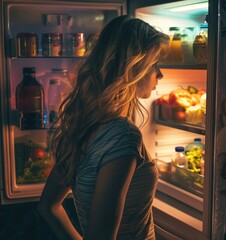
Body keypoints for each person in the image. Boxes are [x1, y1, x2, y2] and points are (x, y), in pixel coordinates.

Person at [37, 15, 169, 240]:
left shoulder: (85, 125)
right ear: (133, 68)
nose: (160, 73)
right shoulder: (124, 137)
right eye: (154, 64)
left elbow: (48, 206)